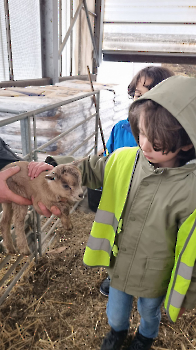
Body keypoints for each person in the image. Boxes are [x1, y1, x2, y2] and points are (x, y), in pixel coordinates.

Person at [30, 75, 196, 350]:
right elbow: (91, 168)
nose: (143, 146)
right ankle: (118, 331)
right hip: (118, 263)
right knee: (116, 311)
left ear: (186, 144)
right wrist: (54, 165)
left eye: (155, 142)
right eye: (140, 134)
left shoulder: (190, 189)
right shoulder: (125, 160)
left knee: (149, 311)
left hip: (156, 272)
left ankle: (145, 337)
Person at [100, 65, 174, 297]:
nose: (140, 101)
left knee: (149, 245)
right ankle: (115, 277)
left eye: (150, 95)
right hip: (123, 199)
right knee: (119, 240)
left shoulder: (173, 135)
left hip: (154, 203)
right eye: (137, 95)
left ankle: (149, 283)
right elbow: (107, 160)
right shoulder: (120, 129)